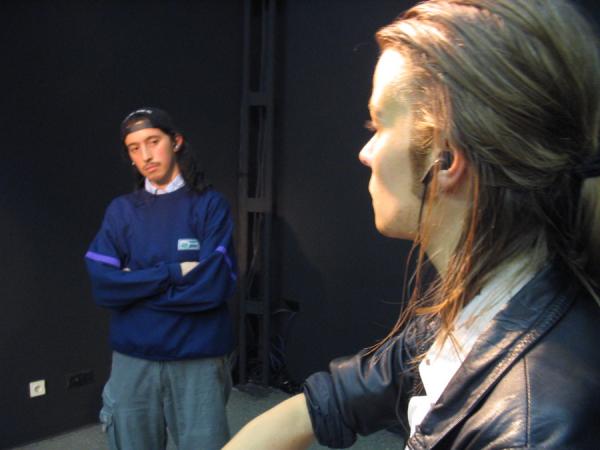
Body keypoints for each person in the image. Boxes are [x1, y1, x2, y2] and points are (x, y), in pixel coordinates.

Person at [223, 0, 600, 448]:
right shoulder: (472, 308)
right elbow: (329, 402)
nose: (365, 153)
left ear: (446, 159)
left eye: (378, 125)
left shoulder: (533, 430)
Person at [84, 107, 237, 450]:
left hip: (197, 357)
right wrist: (174, 272)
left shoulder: (210, 205)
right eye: (134, 147)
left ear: (176, 141)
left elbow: (213, 286)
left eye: (153, 141)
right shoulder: (121, 211)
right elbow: (104, 285)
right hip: (133, 359)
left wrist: (134, 287)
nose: (146, 155)